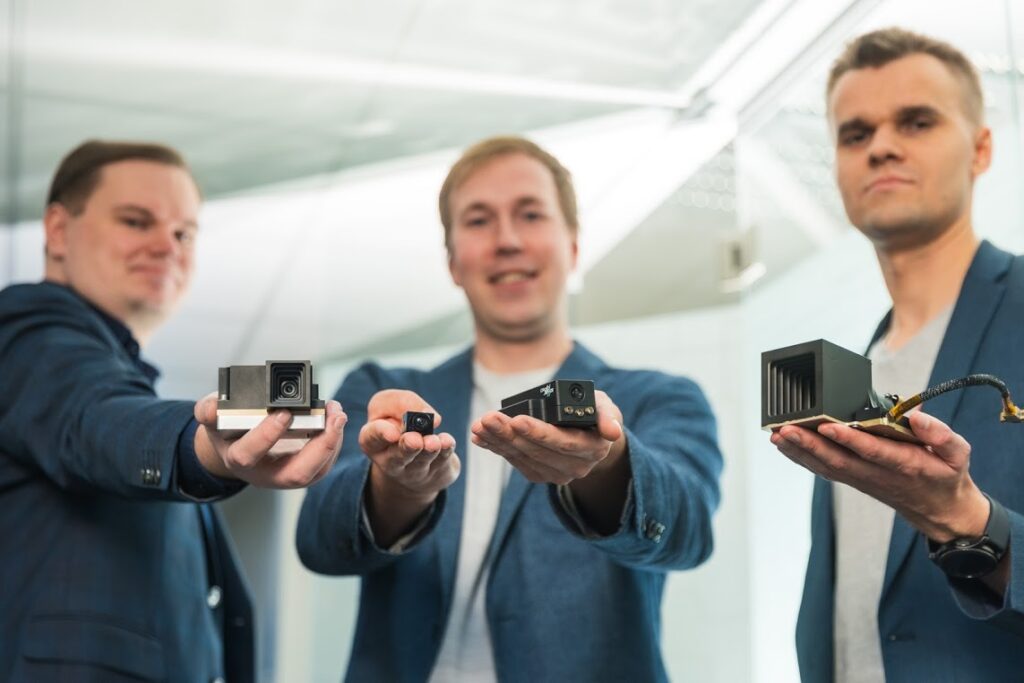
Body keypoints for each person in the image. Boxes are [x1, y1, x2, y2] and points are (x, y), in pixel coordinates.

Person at [296, 135, 723, 682]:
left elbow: (688, 533)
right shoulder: (383, 393)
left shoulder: (660, 399)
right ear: (452, 261)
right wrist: (398, 488)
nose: (507, 240)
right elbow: (319, 542)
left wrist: (607, 465)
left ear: (572, 246)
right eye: (478, 221)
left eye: (530, 214)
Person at [0, 140, 347, 682]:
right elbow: (96, 418)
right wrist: (208, 447)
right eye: (137, 221)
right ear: (58, 231)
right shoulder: (27, 336)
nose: (168, 245)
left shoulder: (122, 371)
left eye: (184, 233)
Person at [770, 28, 1024, 682]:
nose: (881, 146)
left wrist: (970, 523)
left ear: (981, 147)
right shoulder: (853, 369)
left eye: (916, 121)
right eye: (855, 134)